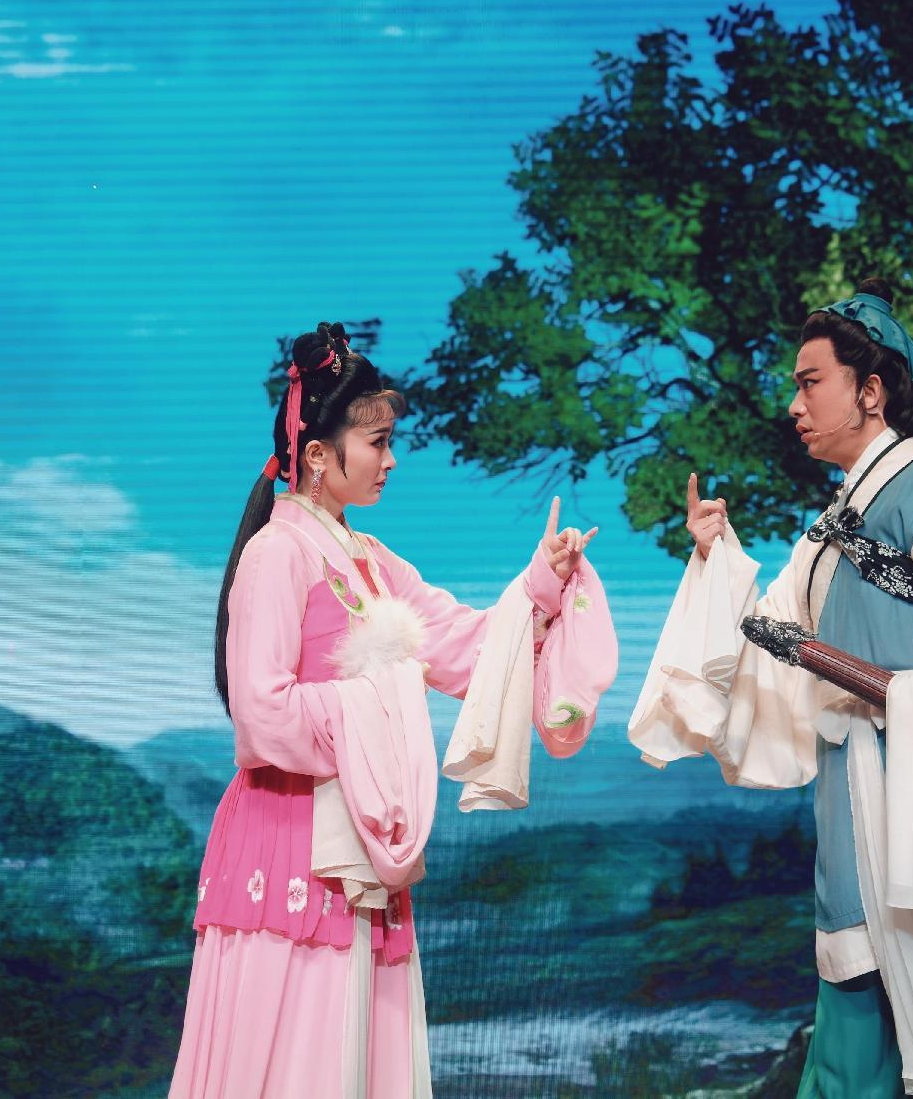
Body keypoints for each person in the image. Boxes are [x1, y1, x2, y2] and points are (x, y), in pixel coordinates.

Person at [629, 280, 913, 1097]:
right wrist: (714, 557)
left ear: (870, 392)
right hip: (852, 806)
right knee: (850, 1049)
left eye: (811, 382)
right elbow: (768, 637)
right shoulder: (827, 532)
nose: (794, 405)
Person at [169, 322, 617, 1098]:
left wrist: (542, 585)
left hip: (362, 840)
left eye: (390, 441)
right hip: (289, 843)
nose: (391, 459)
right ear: (318, 455)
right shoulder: (277, 554)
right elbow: (261, 714)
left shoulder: (373, 563)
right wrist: (378, 703)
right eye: (377, 442)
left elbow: (467, 650)